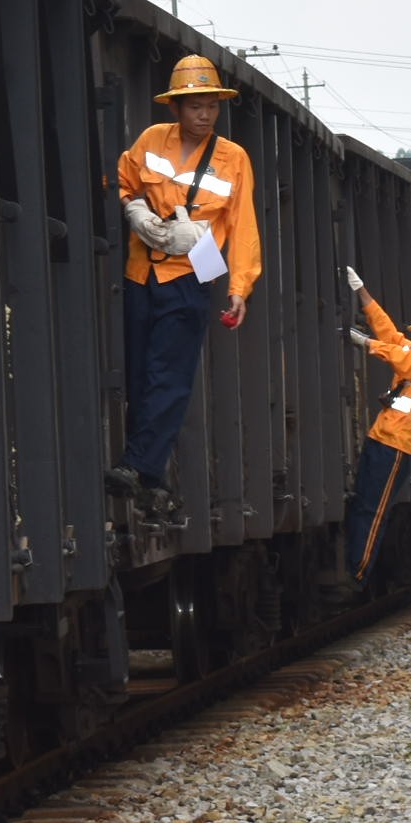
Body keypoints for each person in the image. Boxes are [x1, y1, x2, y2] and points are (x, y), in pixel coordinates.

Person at [106, 55, 261, 505]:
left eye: (211, 106)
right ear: (176, 107)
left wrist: (239, 289)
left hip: (192, 274)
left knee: (168, 374)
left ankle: (137, 465)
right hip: (140, 272)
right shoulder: (152, 140)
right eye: (195, 106)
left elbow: (244, 226)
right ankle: (149, 474)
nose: (205, 115)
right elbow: (122, 181)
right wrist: (135, 210)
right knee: (139, 371)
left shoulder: (234, 158)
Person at [340, 266, 411, 583]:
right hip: (379, 437)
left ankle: (357, 574)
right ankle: (351, 566)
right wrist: (361, 290)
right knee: (361, 504)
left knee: (373, 510)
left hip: (396, 447)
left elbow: (405, 362)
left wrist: (366, 344)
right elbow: (387, 330)